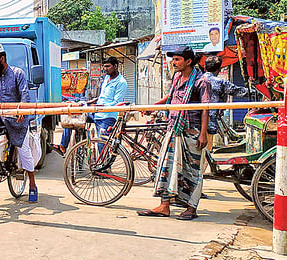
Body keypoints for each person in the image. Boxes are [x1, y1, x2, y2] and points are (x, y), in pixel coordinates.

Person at [138, 46, 210, 220]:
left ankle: (191, 208)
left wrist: (203, 134)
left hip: (192, 131)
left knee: (192, 171)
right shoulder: (177, 77)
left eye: (177, 59)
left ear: (188, 61)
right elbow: (169, 99)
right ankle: (164, 205)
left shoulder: (201, 81)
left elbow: (206, 109)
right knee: (166, 167)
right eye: (173, 59)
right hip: (173, 128)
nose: (174, 62)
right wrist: (153, 107)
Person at [0, 43, 38, 202]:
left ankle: (32, 184)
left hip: (17, 118)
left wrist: (22, 111)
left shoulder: (18, 73)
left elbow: (25, 95)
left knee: (24, 150)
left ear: (2, 58)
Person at [53, 57, 128, 155]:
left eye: (108, 66)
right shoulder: (106, 78)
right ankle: (63, 146)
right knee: (71, 117)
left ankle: (104, 167)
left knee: (102, 145)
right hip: (95, 111)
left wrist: (100, 106)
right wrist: (92, 102)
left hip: (106, 117)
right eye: (104, 66)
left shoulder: (121, 82)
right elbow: (102, 96)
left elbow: (116, 103)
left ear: (115, 66)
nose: (105, 69)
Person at [201, 55, 248, 149]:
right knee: (208, 150)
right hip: (211, 122)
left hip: (196, 122)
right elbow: (238, 91)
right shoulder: (220, 82)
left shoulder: (197, 79)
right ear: (219, 69)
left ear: (205, 67)